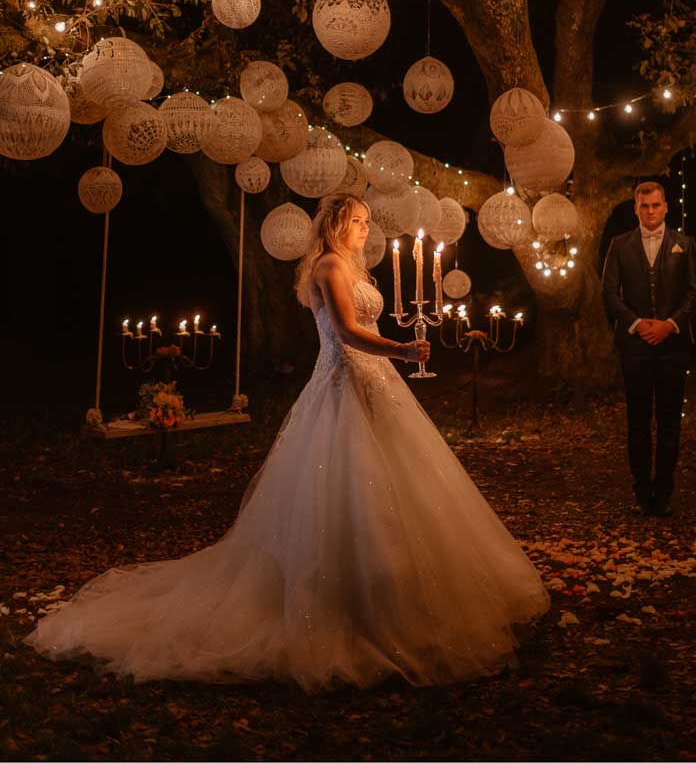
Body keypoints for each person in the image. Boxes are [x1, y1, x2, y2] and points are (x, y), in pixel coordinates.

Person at [28, 193, 549, 690]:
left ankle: (400, 595)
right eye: (359, 220)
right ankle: (342, 604)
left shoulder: (357, 268)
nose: (367, 228)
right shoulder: (328, 267)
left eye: (369, 221)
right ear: (337, 225)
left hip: (377, 384)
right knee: (347, 487)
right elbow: (345, 330)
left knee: (405, 485)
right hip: (344, 382)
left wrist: (392, 354)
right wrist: (401, 349)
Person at [601, 180, 696, 517]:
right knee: (639, 420)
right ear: (635, 208)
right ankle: (641, 488)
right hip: (635, 346)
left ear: (665, 206)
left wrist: (669, 325)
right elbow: (610, 293)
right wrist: (637, 323)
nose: (650, 211)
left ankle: (664, 488)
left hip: (673, 346)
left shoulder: (684, 244)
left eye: (656, 205)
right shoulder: (620, 245)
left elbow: (695, 293)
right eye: (644, 206)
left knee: (670, 420)